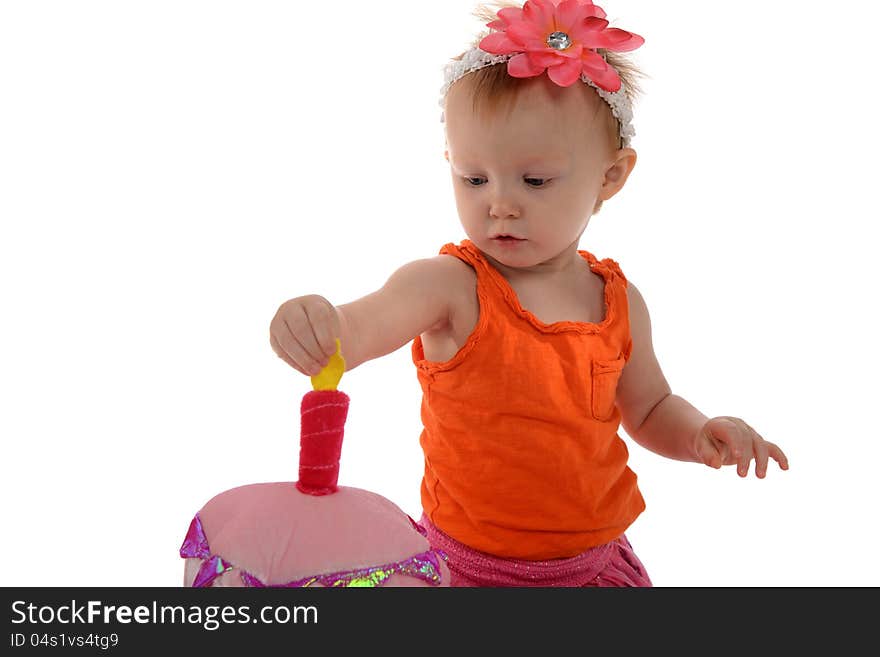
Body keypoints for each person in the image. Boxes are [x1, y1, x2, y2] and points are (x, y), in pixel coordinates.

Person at [268, 0, 788, 587]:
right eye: (473, 178)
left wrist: (697, 433)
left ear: (610, 177)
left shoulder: (617, 301)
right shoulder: (450, 287)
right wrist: (317, 322)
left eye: (534, 180)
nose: (499, 203)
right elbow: (358, 329)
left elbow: (647, 408)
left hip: (591, 567)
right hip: (466, 569)